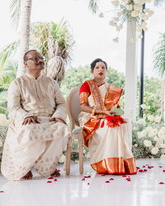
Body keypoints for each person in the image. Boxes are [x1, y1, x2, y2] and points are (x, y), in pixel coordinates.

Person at [1, 50, 70, 180]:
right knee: (29, 131)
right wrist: (26, 116)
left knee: (63, 129)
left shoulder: (51, 83)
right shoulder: (17, 83)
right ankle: (24, 167)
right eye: (35, 58)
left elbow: (61, 103)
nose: (40, 60)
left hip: (50, 119)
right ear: (25, 63)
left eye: (41, 58)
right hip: (28, 120)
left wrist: (58, 116)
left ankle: (47, 166)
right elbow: (14, 107)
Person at [79, 58, 137, 175]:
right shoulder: (86, 85)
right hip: (91, 117)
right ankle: (106, 164)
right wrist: (102, 112)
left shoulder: (111, 89)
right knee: (111, 125)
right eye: (97, 67)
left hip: (108, 116)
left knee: (124, 123)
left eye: (103, 67)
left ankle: (121, 163)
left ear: (106, 71)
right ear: (92, 71)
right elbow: (83, 107)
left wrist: (116, 112)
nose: (100, 69)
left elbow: (118, 107)